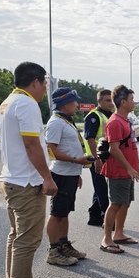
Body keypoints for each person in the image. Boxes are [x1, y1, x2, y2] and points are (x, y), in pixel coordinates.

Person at [0, 62, 57, 278]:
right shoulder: (27, 104)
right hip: (26, 182)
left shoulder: (8, 102)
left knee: (16, 236)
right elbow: (32, 145)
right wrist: (47, 177)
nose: (45, 89)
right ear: (35, 82)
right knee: (28, 239)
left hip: (12, 178)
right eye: (44, 83)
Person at [44, 87, 93, 266]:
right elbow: (52, 150)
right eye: (74, 101)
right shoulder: (56, 123)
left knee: (64, 213)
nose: (77, 105)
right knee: (56, 213)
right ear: (64, 104)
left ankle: (64, 245)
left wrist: (77, 172)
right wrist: (75, 160)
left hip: (70, 174)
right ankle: (53, 251)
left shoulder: (66, 120)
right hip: (61, 174)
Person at [100, 85, 139, 253]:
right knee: (115, 204)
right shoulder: (114, 122)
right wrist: (129, 168)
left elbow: (126, 147)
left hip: (127, 170)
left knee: (125, 203)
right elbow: (114, 149)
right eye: (131, 99)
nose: (133, 102)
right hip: (119, 171)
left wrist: (138, 162)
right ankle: (106, 239)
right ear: (123, 102)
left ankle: (118, 234)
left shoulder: (125, 121)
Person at [84, 89, 114, 226]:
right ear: (99, 101)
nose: (110, 103)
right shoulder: (93, 116)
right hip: (95, 158)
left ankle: (94, 216)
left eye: (111, 100)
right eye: (107, 100)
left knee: (99, 187)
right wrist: (96, 159)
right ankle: (107, 219)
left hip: (105, 157)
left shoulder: (109, 115)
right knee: (102, 189)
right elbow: (90, 139)